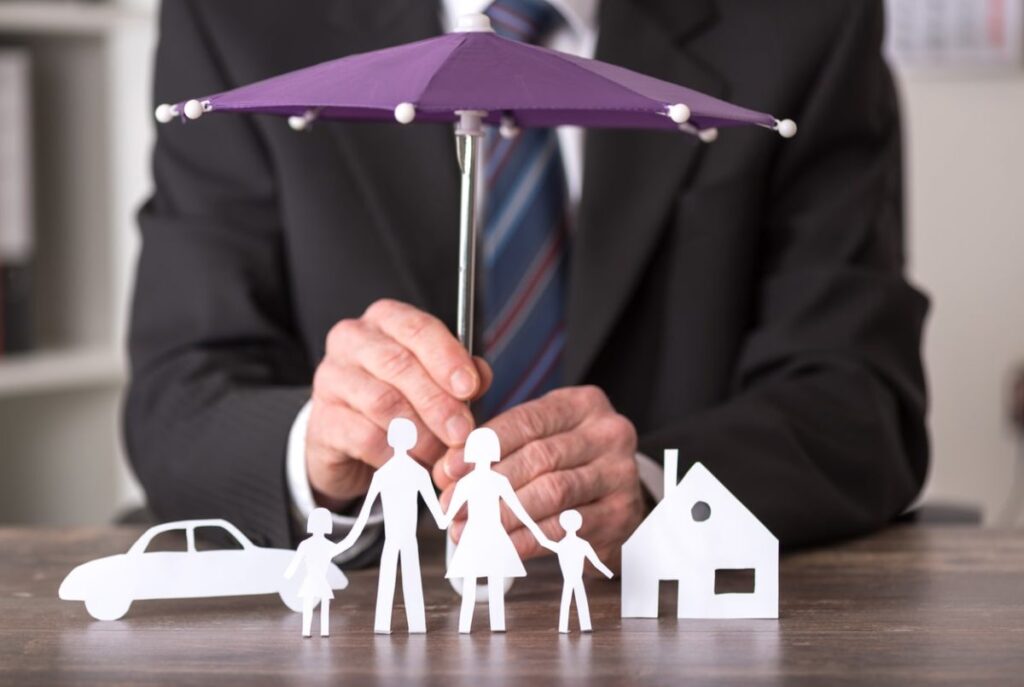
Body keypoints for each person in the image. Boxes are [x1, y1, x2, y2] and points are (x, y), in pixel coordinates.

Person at [126, 0, 928, 568]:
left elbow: (861, 397)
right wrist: (317, 446)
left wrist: (652, 484)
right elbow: (178, 394)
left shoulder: (807, 21)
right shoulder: (235, 16)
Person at [332, 418, 445, 634]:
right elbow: (440, 518)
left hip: (395, 541)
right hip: (406, 541)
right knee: (411, 582)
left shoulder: (383, 475)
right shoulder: (418, 474)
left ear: (391, 440)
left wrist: (343, 543)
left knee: (388, 583)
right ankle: (414, 625)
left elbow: (363, 517)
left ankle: (385, 624)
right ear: (413, 440)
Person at [439, 427, 554, 633]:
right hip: (488, 535)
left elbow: (448, 516)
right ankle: (492, 626)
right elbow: (519, 511)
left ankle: (468, 627)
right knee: (491, 580)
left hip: (480, 536)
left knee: (477, 581)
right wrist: (538, 533)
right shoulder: (494, 481)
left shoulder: (469, 483)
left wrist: (538, 534)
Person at [284, 508, 346, 638]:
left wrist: (288, 575)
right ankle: (312, 631)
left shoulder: (319, 545)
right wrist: (287, 576)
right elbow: (295, 563)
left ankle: (319, 631)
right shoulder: (319, 545)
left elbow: (294, 564)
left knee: (316, 606)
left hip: (317, 580)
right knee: (314, 606)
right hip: (313, 580)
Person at [552, 509, 613, 633]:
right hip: (572, 579)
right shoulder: (578, 544)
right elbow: (596, 562)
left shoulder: (563, 545)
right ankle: (578, 626)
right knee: (577, 602)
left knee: (568, 603)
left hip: (573, 579)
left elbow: (596, 562)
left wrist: (608, 573)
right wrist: (608, 573)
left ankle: (569, 627)